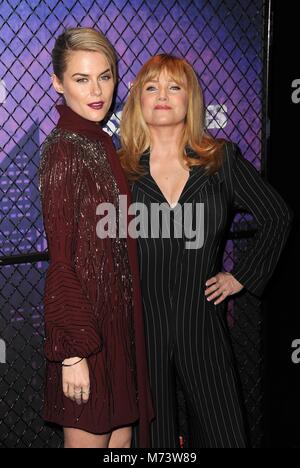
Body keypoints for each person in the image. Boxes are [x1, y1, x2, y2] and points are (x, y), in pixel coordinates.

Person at [119, 54, 293, 448]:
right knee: (155, 439)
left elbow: (277, 216)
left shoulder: (220, 160)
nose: (162, 95)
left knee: (224, 433)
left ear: (190, 99)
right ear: (138, 101)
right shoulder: (121, 168)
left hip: (201, 319)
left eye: (174, 86)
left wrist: (241, 277)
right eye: (151, 87)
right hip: (141, 321)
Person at [38, 27, 154, 449]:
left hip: (118, 330)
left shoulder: (102, 141)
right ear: (58, 82)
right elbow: (62, 258)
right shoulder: (64, 149)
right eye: (81, 79)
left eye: (104, 76)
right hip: (85, 336)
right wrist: (72, 353)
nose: (97, 90)